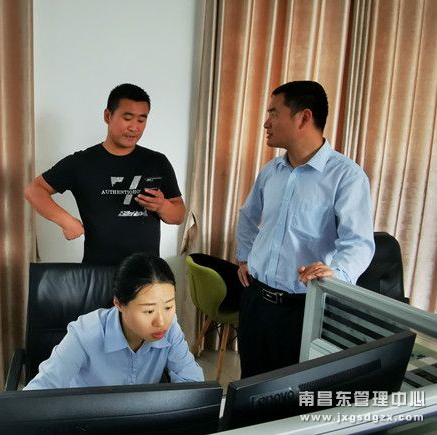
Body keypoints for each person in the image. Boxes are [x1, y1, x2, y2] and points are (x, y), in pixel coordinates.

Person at [236, 80, 375, 378]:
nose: (266, 123)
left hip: (302, 309)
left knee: (293, 393)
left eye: (274, 113)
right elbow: (247, 217)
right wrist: (245, 257)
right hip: (255, 302)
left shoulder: (346, 177)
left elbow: (358, 243)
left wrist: (337, 274)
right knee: (250, 385)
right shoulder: (271, 171)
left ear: (303, 118)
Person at [24, 83, 186, 266]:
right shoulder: (81, 162)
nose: (134, 127)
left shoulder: (157, 161)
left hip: (146, 272)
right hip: (96, 272)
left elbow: (178, 215)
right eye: (127, 118)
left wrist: (162, 206)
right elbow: (34, 190)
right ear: (108, 116)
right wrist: (65, 221)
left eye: (141, 120)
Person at [23, 252, 204, 389]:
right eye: (149, 311)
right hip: (88, 418)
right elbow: (41, 389)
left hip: (141, 419)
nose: (161, 321)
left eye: (168, 307)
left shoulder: (169, 328)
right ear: (119, 303)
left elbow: (193, 384)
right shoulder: (85, 333)